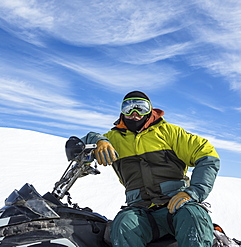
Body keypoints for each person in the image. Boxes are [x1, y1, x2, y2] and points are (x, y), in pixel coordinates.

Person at [81, 91, 220, 247]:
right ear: (122, 111)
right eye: (128, 108)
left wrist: (194, 192)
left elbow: (208, 155)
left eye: (141, 107)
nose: (135, 113)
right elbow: (81, 145)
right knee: (123, 224)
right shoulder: (113, 139)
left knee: (194, 216)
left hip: (176, 205)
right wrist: (97, 139)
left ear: (150, 110)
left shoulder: (169, 132)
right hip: (141, 210)